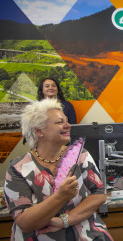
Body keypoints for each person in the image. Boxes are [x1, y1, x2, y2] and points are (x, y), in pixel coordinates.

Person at [4, 99, 113, 240]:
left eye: (66, 121)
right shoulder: (18, 169)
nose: (68, 125)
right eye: (60, 122)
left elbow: (99, 194)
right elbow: (25, 222)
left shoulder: (81, 156)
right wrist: (60, 197)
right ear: (39, 131)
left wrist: (64, 221)